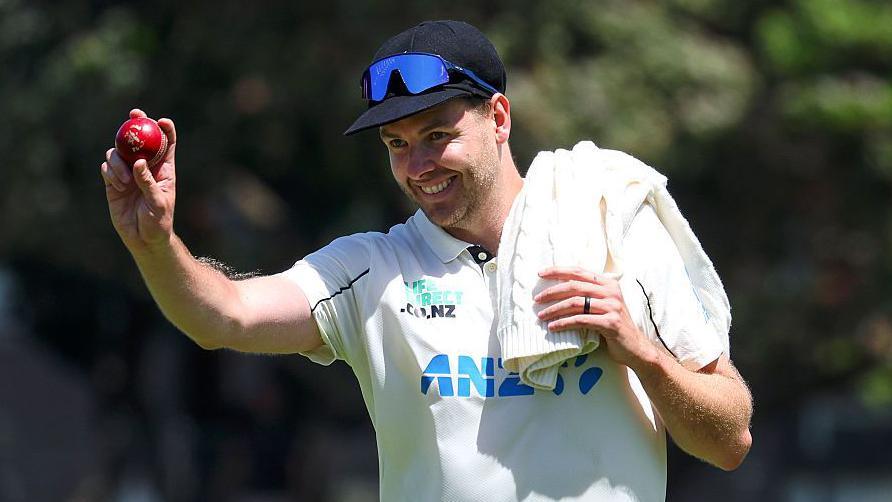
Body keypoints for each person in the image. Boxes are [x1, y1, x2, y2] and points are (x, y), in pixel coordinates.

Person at [100, 19, 752, 502]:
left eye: (438, 136)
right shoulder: (374, 270)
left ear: (498, 117)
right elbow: (225, 316)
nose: (417, 167)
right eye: (396, 144)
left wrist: (640, 351)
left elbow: (728, 441)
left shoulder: (612, 229)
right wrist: (154, 245)